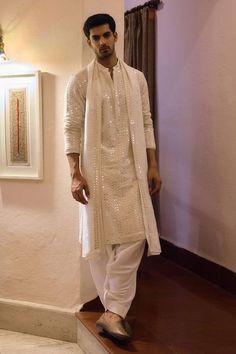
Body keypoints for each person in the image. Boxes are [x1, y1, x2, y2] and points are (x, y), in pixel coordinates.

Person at [64, 13, 162, 342]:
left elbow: (147, 122)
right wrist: (75, 174)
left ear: (116, 36)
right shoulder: (79, 80)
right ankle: (115, 312)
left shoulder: (136, 78)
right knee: (101, 242)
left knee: (135, 236)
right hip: (96, 172)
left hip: (130, 170)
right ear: (88, 42)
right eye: (96, 38)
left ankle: (113, 311)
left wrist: (152, 164)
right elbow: (72, 128)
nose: (102, 42)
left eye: (107, 35)